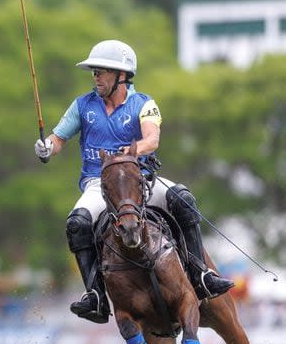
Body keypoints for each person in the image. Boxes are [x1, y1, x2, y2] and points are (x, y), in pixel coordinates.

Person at [34, 39, 233, 324]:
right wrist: (46, 147)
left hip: (140, 181)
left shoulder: (144, 104)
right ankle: (96, 296)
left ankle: (202, 274)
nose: (96, 77)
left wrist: (131, 152)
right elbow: (58, 139)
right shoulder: (82, 105)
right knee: (77, 223)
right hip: (98, 184)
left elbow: (152, 138)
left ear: (122, 76)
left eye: (101, 71)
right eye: (94, 72)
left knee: (183, 199)